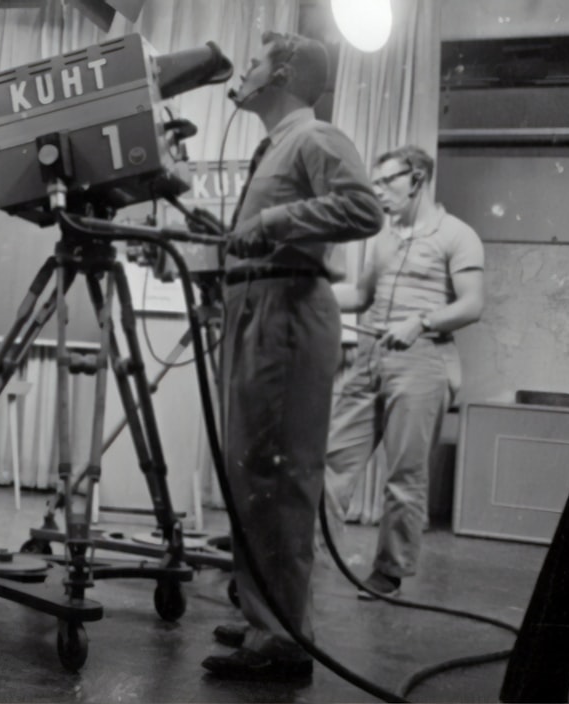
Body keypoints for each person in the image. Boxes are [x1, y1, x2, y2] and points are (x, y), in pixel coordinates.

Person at [203, 31, 384, 682]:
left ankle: (281, 637)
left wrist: (273, 225)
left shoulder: (314, 137)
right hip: (260, 305)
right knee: (251, 474)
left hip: (286, 309)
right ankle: (267, 614)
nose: (244, 71)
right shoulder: (276, 146)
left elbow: (364, 209)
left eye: (255, 61)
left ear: (281, 73)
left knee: (277, 478)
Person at [324, 145, 484, 599]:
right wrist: (308, 289)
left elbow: (472, 304)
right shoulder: (384, 237)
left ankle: (389, 572)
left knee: (404, 475)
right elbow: (361, 296)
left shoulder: (457, 235)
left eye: (386, 182)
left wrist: (422, 321)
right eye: (373, 184)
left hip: (423, 361)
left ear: (417, 179)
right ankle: (306, 557)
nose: (377, 192)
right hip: (370, 357)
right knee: (331, 461)